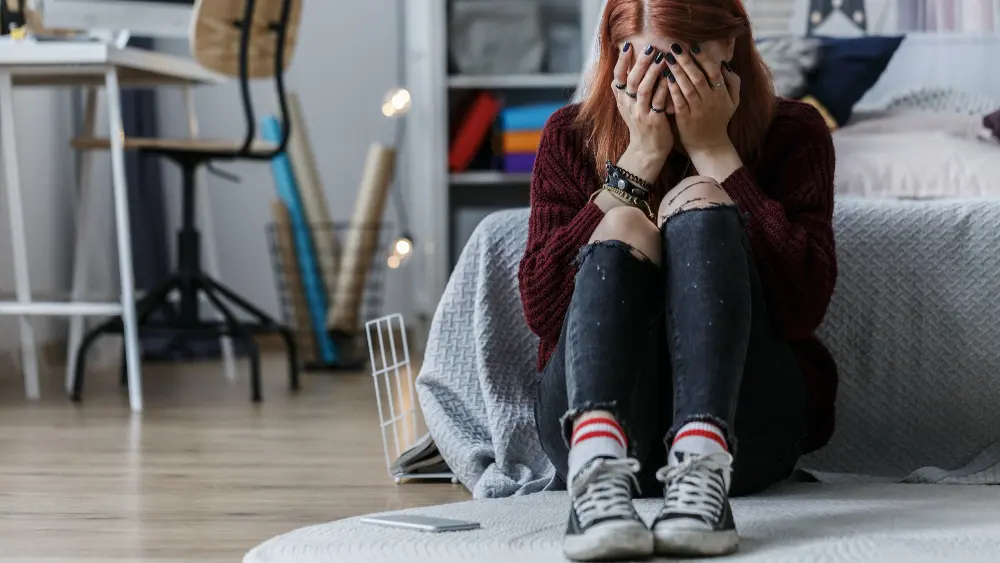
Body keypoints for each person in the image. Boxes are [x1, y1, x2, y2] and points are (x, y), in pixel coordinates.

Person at [518, 0, 838, 560]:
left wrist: (716, 155)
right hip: (595, 427)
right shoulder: (569, 136)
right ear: (615, 61)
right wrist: (636, 164)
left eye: (684, 61)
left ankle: (702, 461)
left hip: (746, 431)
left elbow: (803, 307)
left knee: (699, 201)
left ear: (728, 47)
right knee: (620, 220)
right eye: (644, 64)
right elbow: (544, 312)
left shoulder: (795, 132)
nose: (664, 85)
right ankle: (597, 474)